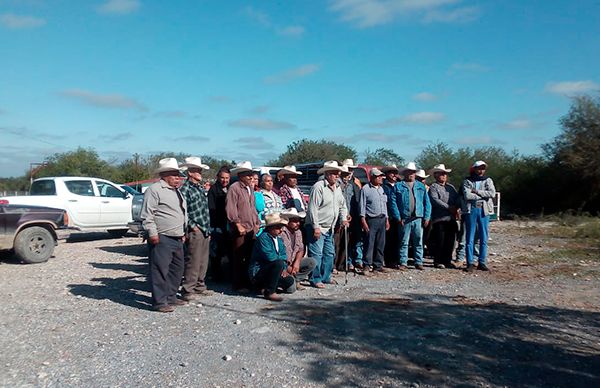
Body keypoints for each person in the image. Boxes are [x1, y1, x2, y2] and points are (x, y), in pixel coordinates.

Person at [140, 158, 187, 313]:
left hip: (177, 235)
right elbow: (148, 214)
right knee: (160, 269)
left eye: (178, 174)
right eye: (174, 174)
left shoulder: (176, 190)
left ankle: (171, 296)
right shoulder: (155, 190)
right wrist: (152, 233)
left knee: (177, 269)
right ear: (165, 174)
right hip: (162, 236)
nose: (177, 177)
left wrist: (183, 232)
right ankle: (159, 301)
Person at [305, 161, 349, 288]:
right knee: (316, 254)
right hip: (317, 226)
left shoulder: (338, 189)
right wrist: (316, 226)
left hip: (330, 227)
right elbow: (313, 208)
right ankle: (315, 278)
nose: (337, 176)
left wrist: (343, 218)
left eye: (338, 173)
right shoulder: (318, 187)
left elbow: (342, 205)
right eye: (335, 173)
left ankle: (326, 276)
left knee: (330, 253)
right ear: (327, 174)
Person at [178, 157, 212, 301]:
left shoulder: (199, 187)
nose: (200, 172)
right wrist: (193, 227)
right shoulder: (185, 189)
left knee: (203, 260)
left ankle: (199, 285)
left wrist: (207, 230)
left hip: (204, 228)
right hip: (195, 229)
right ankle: (188, 289)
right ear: (190, 172)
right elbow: (183, 211)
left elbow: (204, 210)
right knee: (193, 260)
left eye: (200, 170)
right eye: (197, 170)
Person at [226, 161, 261, 291]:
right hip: (240, 228)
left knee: (250, 256)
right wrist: (237, 224)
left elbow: (252, 208)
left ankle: (248, 281)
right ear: (240, 175)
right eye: (247, 174)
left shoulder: (250, 189)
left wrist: (257, 223)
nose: (250, 177)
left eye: (251, 174)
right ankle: (238, 284)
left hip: (251, 228)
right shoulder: (234, 188)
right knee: (239, 257)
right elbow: (231, 208)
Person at [391, 162, 431, 270]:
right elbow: (393, 203)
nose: (411, 174)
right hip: (405, 218)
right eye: (409, 172)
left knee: (418, 240)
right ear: (405, 173)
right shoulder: (398, 186)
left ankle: (419, 261)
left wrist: (427, 217)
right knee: (404, 241)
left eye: (413, 172)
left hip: (418, 217)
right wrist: (398, 217)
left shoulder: (421, 186)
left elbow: (427, 203)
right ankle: (403, 262)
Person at [248, 213, 295, 301]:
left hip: (273, 270)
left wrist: (284, 268)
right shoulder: (263, 238)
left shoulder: (279, 239)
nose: (281, 230)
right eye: (278, 227)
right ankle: (270, 292)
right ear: (270, 227)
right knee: (278, 263)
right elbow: (270, 257)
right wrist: (281, 264)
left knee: (289, 281)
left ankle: (265, 288)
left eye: (281, 227)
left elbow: (284, 255)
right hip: (259, 272)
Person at [462, 160, 496, 272]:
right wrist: (482, 195)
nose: (481, 170)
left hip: (484, 210)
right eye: (479, 168)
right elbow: (467, 195)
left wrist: (476, 192)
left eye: (483, 168)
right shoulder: (467, 180)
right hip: (471, 210)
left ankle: (482, 262)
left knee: (484, 237)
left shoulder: (488, 180)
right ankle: (470, 262)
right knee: (469, 237)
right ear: (474, 169)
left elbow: (492, 193)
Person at [428, 164, 460, 269]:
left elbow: (456, 198)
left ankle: (447, 260)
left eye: (445, 174)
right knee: (439, 240)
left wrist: (456, 207)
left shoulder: (450, 187)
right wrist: (448, 207)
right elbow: (435, 200)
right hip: (439, 218)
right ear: (436, 175)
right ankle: (438, 261)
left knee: (450, 241)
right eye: (441, 174)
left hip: (450, 218)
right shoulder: (433, 187)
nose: (444, 176)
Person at [359, 168, 389, 274]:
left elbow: (384, 205)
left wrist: (387, 219)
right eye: (378, 176)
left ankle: (378, 264)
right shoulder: (365, 189)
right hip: (371, 219)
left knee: (381, 243)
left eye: (381, 176)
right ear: (371, 177)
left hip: (382, 218)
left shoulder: (382, 189)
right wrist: (363, 221)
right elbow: (362, 206)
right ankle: (367, 265)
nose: (380, 178)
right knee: (369, 243)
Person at [334, 160, 363, 272]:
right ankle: (335, 265)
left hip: (350, 216)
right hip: (338, 217)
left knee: (347, 241)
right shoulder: (337, 185)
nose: (348, 174)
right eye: (346, 172)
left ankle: (343, 264)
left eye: (350, 171)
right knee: (336, 242)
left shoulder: (353, 185)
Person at [280, 208, 317, 290]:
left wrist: (297, 262)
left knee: (311, 262)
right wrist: (287, 267)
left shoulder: (298, 232)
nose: (298, 223)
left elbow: (300, 249)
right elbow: (278, 254)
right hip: (282, 264)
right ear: (287, 221)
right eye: (295, 221)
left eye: (298, 221)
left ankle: (297, 279)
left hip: (292, 262)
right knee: (290, 289)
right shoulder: (281, 232)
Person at [208, 166, 231, 282]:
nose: (224, 180)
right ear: (217, 177)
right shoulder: (213, 190)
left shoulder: (230, 189)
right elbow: (211, 209)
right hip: (217, 225)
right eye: (222, 178)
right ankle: (216, 276)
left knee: (226, 251)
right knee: (216, 252)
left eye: (227, 178)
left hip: (228, 225)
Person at [381, 164, 400, 269]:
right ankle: (388, 261)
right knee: (388, 239)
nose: (394, 175)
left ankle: (396, 260)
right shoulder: (383, 186)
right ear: (387, 174)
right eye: (391, 172)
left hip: (398, 217)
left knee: (398, 239)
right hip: (387, 216)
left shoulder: (400, 185)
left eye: (395, 173)